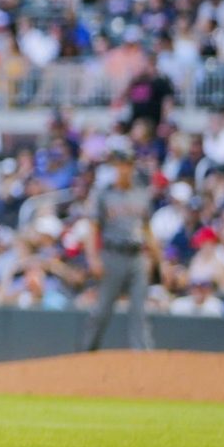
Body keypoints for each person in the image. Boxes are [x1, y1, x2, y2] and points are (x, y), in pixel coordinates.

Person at [80, 149, 157, 352]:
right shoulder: (104, 193)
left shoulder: (142, 193)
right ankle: (87, 352)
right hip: (112, 255)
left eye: (127, 164)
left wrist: (160, 261)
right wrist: (92, 257)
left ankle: (144, 358)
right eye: (119, 164)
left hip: (137, 256)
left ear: (132, 167)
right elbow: (93, 228)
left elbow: (148, 230)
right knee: (102, 310)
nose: (123, 169)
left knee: (139, 311)